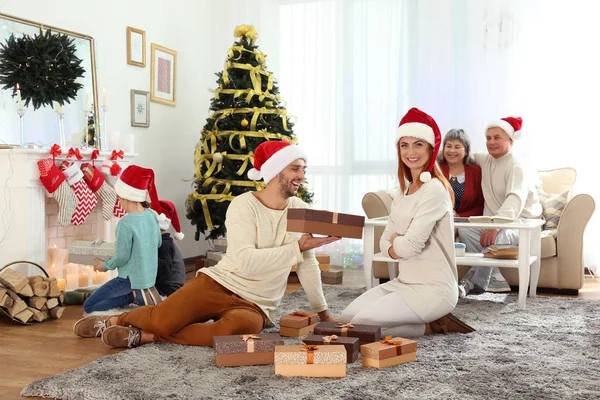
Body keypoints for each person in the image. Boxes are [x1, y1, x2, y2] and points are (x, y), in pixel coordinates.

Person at [73, 141, 341, 347]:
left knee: (227, 334)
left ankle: (144, 337)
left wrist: (324, 312)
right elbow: (247, 261)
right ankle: (116, 320)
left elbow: (307, 264)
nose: (302, 176)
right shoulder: (243, 206)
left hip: (256, 303)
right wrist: (297, 248)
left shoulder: (300, 210)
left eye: (303, 169)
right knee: (163, 319)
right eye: (295, 168)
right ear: (274, 171)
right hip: (218, 283)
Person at [340, 107, 474, 336]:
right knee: (345, 319)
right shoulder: (404, 191)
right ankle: (428, 325)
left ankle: (430, 322)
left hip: (433, 289)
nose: (410, 151)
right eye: (404, 145)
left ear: (431, 149)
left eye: (418, 144)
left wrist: (395, 243)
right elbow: (385, 241)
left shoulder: (434, 189)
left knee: (359, 326)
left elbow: (409, 247)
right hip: (404, 282)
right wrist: (395, 244)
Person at [458, 117, 542, 298]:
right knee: (465, 231)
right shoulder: (485, 159)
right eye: (488, 138)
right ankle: (495, 276)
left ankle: (474, 283)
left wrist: (494, 226)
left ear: (510, 140)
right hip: (495, 221)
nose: (491, 142)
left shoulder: (516, 165)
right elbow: (461, 154)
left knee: (499, 237)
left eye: (497, 137)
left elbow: (515, 200)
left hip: (522, 223)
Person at [77, 165, 163, 315]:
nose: (119, 202)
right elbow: (158, 243)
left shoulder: (125, 223)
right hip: (148, 278)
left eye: (119, 197)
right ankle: (137, 295)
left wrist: (105, 265)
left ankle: (132, 297)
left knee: (89, 306)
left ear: (127, 197)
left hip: (129, 280)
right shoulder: (151, 215)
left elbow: (122, 257)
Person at [438, 129, 484, 217]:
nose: (452, 150)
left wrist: (459, 216)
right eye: (448, 146)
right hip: (439, 221)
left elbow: (481, 205)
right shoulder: (437, 169)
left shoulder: (476, 172)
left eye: (457, 147)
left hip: (466, 224)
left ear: (466, 151)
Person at [154, 200, 186, 297]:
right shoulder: (165, 241)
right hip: (171, 286)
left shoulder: (163, 244)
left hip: (170, 289)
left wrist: (146, 256)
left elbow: (165, 268)